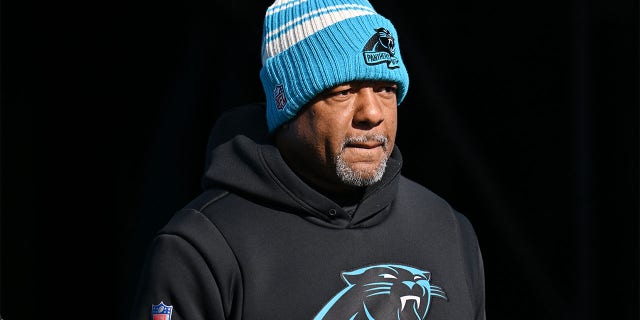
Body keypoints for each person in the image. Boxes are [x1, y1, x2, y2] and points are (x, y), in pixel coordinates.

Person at [130, 0, 486, 319]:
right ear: (288, 108)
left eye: (386, 89)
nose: (373, 112)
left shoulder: (448, 229)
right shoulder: (203, 248)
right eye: (343, 92)